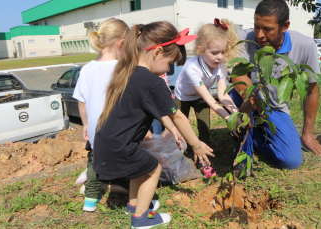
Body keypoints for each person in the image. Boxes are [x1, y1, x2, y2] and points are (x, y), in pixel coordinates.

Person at [93, 22, 215, 228]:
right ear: (158, 52)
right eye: (170, 63)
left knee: (139, 168)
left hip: (109, 142)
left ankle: (133, 205)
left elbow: (159, 112)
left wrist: (173, 130)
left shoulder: (128, 72)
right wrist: (196, 144)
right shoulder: (152, 81)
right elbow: (177, 116)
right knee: (153, 168)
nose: (169, 69)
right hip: (121, 146)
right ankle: (140, 219)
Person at [229, 0, 321, 175]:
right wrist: (251, 100)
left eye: (267, 29)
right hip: (245, 98)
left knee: (291, 160)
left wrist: (308, 133)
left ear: (284, 26)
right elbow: (238, 73)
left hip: (275, 107)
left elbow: (311, 90)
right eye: (256, 26)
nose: (259, 35)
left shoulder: (305, 45)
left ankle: (255, 131)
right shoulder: (246, 37)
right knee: (237, 105)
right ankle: (244, 150)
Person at [72, 18, 130, 212]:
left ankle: (89, 200)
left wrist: (86, 124)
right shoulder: (123, 68)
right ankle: (129, 192)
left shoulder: (87, 68)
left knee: (93, 163)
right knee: (128, 166)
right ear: (121, 43)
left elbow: (82, 101)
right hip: (120, 132)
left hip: (97, 130)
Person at [174, 18, 241, 146]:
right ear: (201, 50)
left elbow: (222, 94)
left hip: (200, 95)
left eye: (223, 52)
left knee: (204, 127)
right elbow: (211, 100)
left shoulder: (220, 64)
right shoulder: (192, 68)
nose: (220, 57)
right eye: (215, 53)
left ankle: (203, 154)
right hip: (183, 96)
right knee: (180, 125)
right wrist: (229, 119)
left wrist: (237, 114)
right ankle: (182, 149)